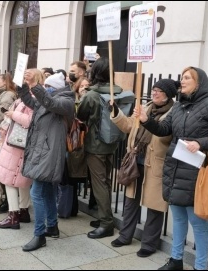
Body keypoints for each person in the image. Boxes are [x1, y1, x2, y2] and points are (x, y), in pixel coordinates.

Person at [134, 67, 208, 270]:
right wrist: (146, 121)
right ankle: (176, 260)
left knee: (198, 223)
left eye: (187, 78)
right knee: (177, 218)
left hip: (197, 172)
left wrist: (201, 142)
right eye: (182, 77)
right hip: (175, 168)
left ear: (199, 82)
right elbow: (164, 130)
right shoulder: (178, 106)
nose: (182, 81)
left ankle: (200, 266)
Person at [109, 79, 179, 257]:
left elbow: (166, 135)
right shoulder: (146, 106)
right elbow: (128, 126)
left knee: (155, 206)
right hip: (135, 160)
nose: (154, 93)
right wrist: (116, 111)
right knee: (131, 201)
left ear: (168, 95)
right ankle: (125, 236)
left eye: (159, 91)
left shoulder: (174, 112)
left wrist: (147, 121)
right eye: (153, 89)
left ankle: (149, 244)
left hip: (156, 164)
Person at [17, 71, 75, 252]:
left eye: (49, 86)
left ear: (56, 88)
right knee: (48, 192)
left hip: (49, 154)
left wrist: (36, 86)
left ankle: (39, 235)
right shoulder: (47, 99)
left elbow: (50, 103)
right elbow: (31, 101)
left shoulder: (66, 102)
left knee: (37, 193)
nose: (46, 89)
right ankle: (52, 226)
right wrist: (22, 84)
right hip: (41, 151)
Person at [76, 57, 122, 239]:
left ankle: (106, 223)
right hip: (112, 143)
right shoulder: (118, 93)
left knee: (99, 184)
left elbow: (81, 115)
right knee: (106, 182)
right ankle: (105, 217)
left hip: (95, 145)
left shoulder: (92, 95)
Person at [0, 69, 42, 229]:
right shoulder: (29, 97)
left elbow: (30, 121)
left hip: (18, 144)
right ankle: (23, 211)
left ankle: (13, 215)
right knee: (22, 180)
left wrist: (12, 114)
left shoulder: (33, 98)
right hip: (16, 142)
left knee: (9, 179)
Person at [0, 73, 17, 145]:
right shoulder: (2, 93)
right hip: (1, 127)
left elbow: (2, 113)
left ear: (5, 82)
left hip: (2, 128)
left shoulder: (8, 94)